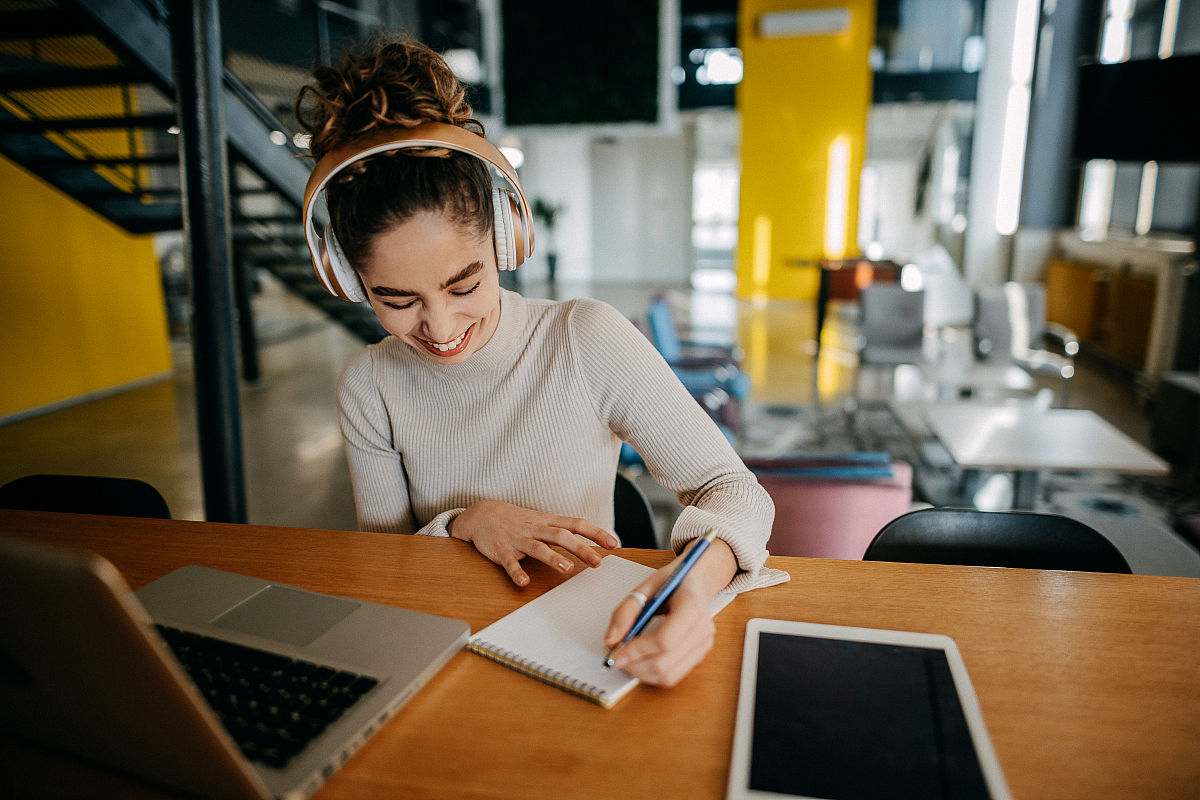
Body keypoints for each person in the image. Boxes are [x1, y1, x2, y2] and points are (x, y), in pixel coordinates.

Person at [294, 34, 788, 688]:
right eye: (396, 299)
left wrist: (692, 590)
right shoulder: (370, 384)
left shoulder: (584, 339)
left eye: (464, 284)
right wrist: (468, 521)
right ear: (352, 282)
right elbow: (386, 568)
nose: (440, 329)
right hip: (441, 659)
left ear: (506, 238)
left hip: (585, 650)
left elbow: (735, 491)